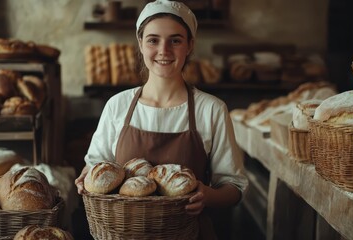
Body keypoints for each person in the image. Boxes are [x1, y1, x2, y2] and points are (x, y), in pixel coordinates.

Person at [75, 0, 248, 238]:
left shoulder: (211, 110)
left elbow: (234, 187)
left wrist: (209, 196)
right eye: (153, 40)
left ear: (189, 45)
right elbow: (95, 166)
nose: (163, 51)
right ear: (141, 44)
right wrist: (86, 177)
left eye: (175, 40)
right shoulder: (118, 106)